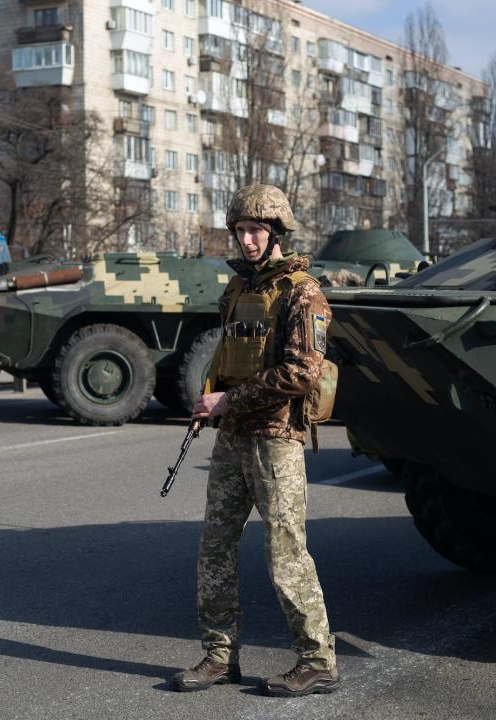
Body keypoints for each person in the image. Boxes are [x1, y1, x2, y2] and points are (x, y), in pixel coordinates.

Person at [172, 185, 339, 697]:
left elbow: (303, 372)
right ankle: (220, 656)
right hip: (234, 437)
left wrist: (228, 402)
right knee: (215, 547)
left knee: (286, 552)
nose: (246, 240)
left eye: (256, 231)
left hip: (275, 440)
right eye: (241, 230)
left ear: (276, 235)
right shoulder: (237, 291)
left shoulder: (301, 292)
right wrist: (210, 401)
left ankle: (318, 660)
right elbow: (226, 357)